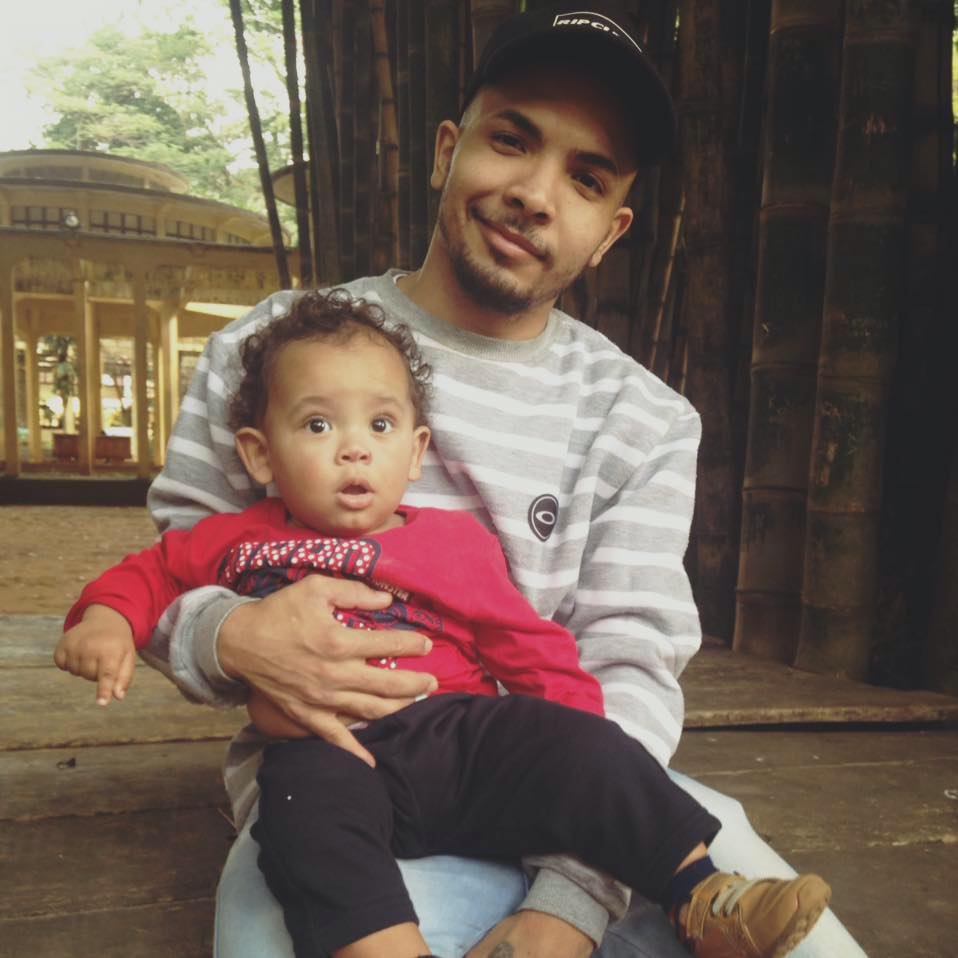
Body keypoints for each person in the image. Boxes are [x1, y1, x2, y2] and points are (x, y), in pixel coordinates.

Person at [92, 6, 868, 958]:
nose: (536, 195)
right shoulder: (270, 353)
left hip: (562, 789)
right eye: (512, 140)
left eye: (586, 178)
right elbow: (177, 564)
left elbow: (626, 661)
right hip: (330, 788)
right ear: (445, 151)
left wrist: (575, 897)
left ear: (611, 231)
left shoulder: (644, 417)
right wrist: (233, 636)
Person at [57, 291, 833, 958]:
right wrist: (105, 620)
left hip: (459, 739)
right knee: (296, 810)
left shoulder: (451, 542)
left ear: (415, 449)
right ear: (260, 455)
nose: (354, 448)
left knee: (591, 748)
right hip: (329, 749)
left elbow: (527, 646)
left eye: (381, 425)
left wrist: (574, 749)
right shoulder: (239, 539)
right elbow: (153, 572)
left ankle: (706, 897)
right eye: (319, 426)